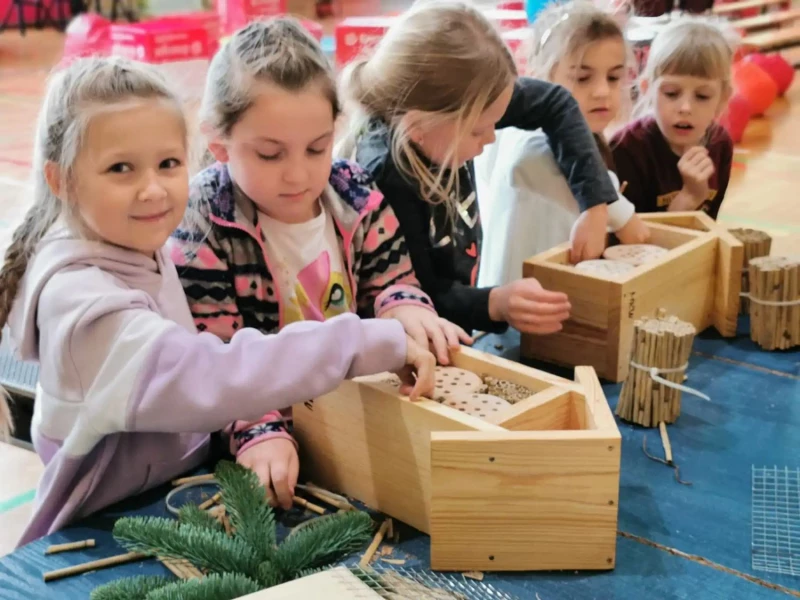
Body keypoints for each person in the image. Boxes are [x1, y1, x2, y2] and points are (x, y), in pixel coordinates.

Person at [0, 56, 435, 545]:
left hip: (172, 495)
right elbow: (215, 374)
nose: (152, 189)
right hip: (107, 531)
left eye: (168, 163)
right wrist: (363, 341)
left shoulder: (131, 243)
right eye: (120, 168)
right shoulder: (81, 305)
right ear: (63, 181)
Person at [170, 17, 467, 509]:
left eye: (317, 148)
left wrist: (404, 307)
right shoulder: (203, 223)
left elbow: (391, 278)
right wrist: (260, 430)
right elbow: (216, 359)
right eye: (269, 154)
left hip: (357, 421)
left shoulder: (354, 191)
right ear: (220, 144)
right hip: (269, 438)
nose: (299, 174)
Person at [338, 0, 624, 338]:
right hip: (413, 342)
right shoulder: (389, 176)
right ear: (419, 126)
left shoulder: (450, 112)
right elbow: (416, 297)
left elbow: (557, 102)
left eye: (496, 122)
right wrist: (496, 303)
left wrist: (595, 204)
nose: (491, 138)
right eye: (478, 130)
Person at [475, 0, 651, 288]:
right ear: (543, 77)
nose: (602, 91)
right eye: (583, 78)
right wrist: (624, 216)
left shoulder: (595, 139)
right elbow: (549, 162)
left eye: (614, 77)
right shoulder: (528, 140)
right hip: (518, 309)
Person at [611, 17, 735, 219]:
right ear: (647, 90)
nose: (685, 108)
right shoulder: (626, 149)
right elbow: (630, 244)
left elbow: (708, 227)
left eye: (702, 96)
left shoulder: (720, 144)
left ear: (722, 98)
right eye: (671, 93)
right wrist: (688, 198)